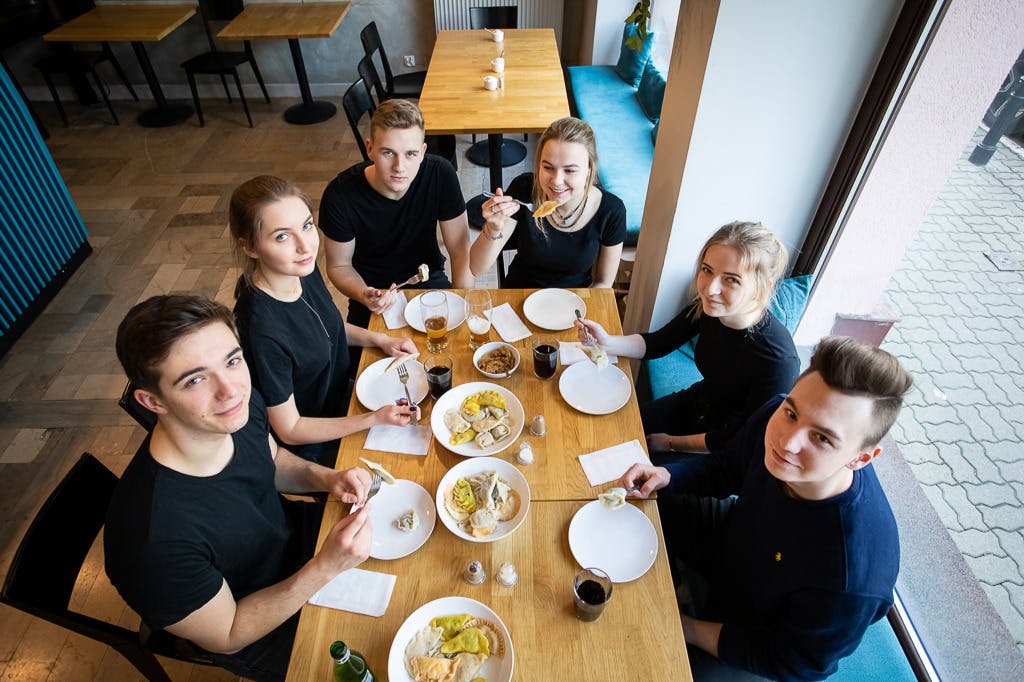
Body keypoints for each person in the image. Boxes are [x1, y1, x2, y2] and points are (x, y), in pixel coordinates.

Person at [105, 295, 374, 682]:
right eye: (196, 379)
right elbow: (228, 635)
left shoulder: (235, 413)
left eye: (232, 360)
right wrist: (325, 568)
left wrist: (327, 478)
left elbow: (273, 460)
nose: (230, 389)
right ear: (151, 401)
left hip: (302, 545)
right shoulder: (150, 541)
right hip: (260, 623)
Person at [619, 336, 912, 681]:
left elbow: (791, 660)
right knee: (638, 496)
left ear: (861, 458)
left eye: (822, 438)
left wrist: (684, 626)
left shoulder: (853, 577)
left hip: (758, 630)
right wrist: (665, 475)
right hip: (734, 538)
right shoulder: (777, 412)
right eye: (791, 413)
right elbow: (726, 466)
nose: (787, 442)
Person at [230, 175, 419, 465]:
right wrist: (372, 419)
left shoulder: (299, 271)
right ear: (250, 248)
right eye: (282, 236)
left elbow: (326, 328)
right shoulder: (261, 329)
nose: (305, 246)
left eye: (306, 226)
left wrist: (380, 339)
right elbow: (290, 429)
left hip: (348, 397)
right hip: (315, 440)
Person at [576, 221, 799, 458]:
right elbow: (658, 343)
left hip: (717, 451)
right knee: (604, 431)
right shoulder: (710, 308)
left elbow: (737, 439)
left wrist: (670, 442)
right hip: (694, 404)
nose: (710, 288)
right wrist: (607, 342)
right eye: (707, 270)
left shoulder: (778, 362)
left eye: (731, 279)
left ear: (763, 285)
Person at [319, 98, 474, 328]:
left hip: (429, 284)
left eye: (410, 154)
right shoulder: (339, 195)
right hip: (369, 296)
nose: (399, 167)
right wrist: (364, 294)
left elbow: (460, 251)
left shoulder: (440, 173)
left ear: (422, 152)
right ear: (370, 149)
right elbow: (339, 266)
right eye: (388, 153)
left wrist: (463, 302)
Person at [470, 116, 626, 288]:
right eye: (548, 167)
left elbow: (603, 283)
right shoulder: (524, 190)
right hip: (519, 296)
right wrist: (492, 229)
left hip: (572, 304)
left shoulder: (611, 211)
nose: (556, 181)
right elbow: (477, 267)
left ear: (589, 169)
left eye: (569, 170)